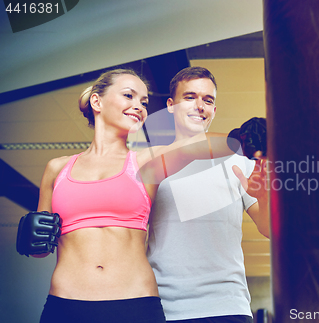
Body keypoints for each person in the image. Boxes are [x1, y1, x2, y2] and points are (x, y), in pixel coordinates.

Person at [18, 68, 236, 323]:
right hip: (65, 305)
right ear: (96, 101)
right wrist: (29, 238)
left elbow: (199, 146)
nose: (139, 107)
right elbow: (40, 251)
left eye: (144, 102)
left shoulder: (148, 161)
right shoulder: (57, 168)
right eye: (129, 96)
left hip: (134, 305)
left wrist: (243, 138)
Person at [147, 66, 270, 322]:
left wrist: (265, 196)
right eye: (189, 97)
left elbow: (268, 228)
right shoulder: (152, 163)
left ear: (214, 110)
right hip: (164, 307)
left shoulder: (241, 163)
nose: (200, 105)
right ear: (170, 105)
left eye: (208, 100)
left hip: (227, 305)